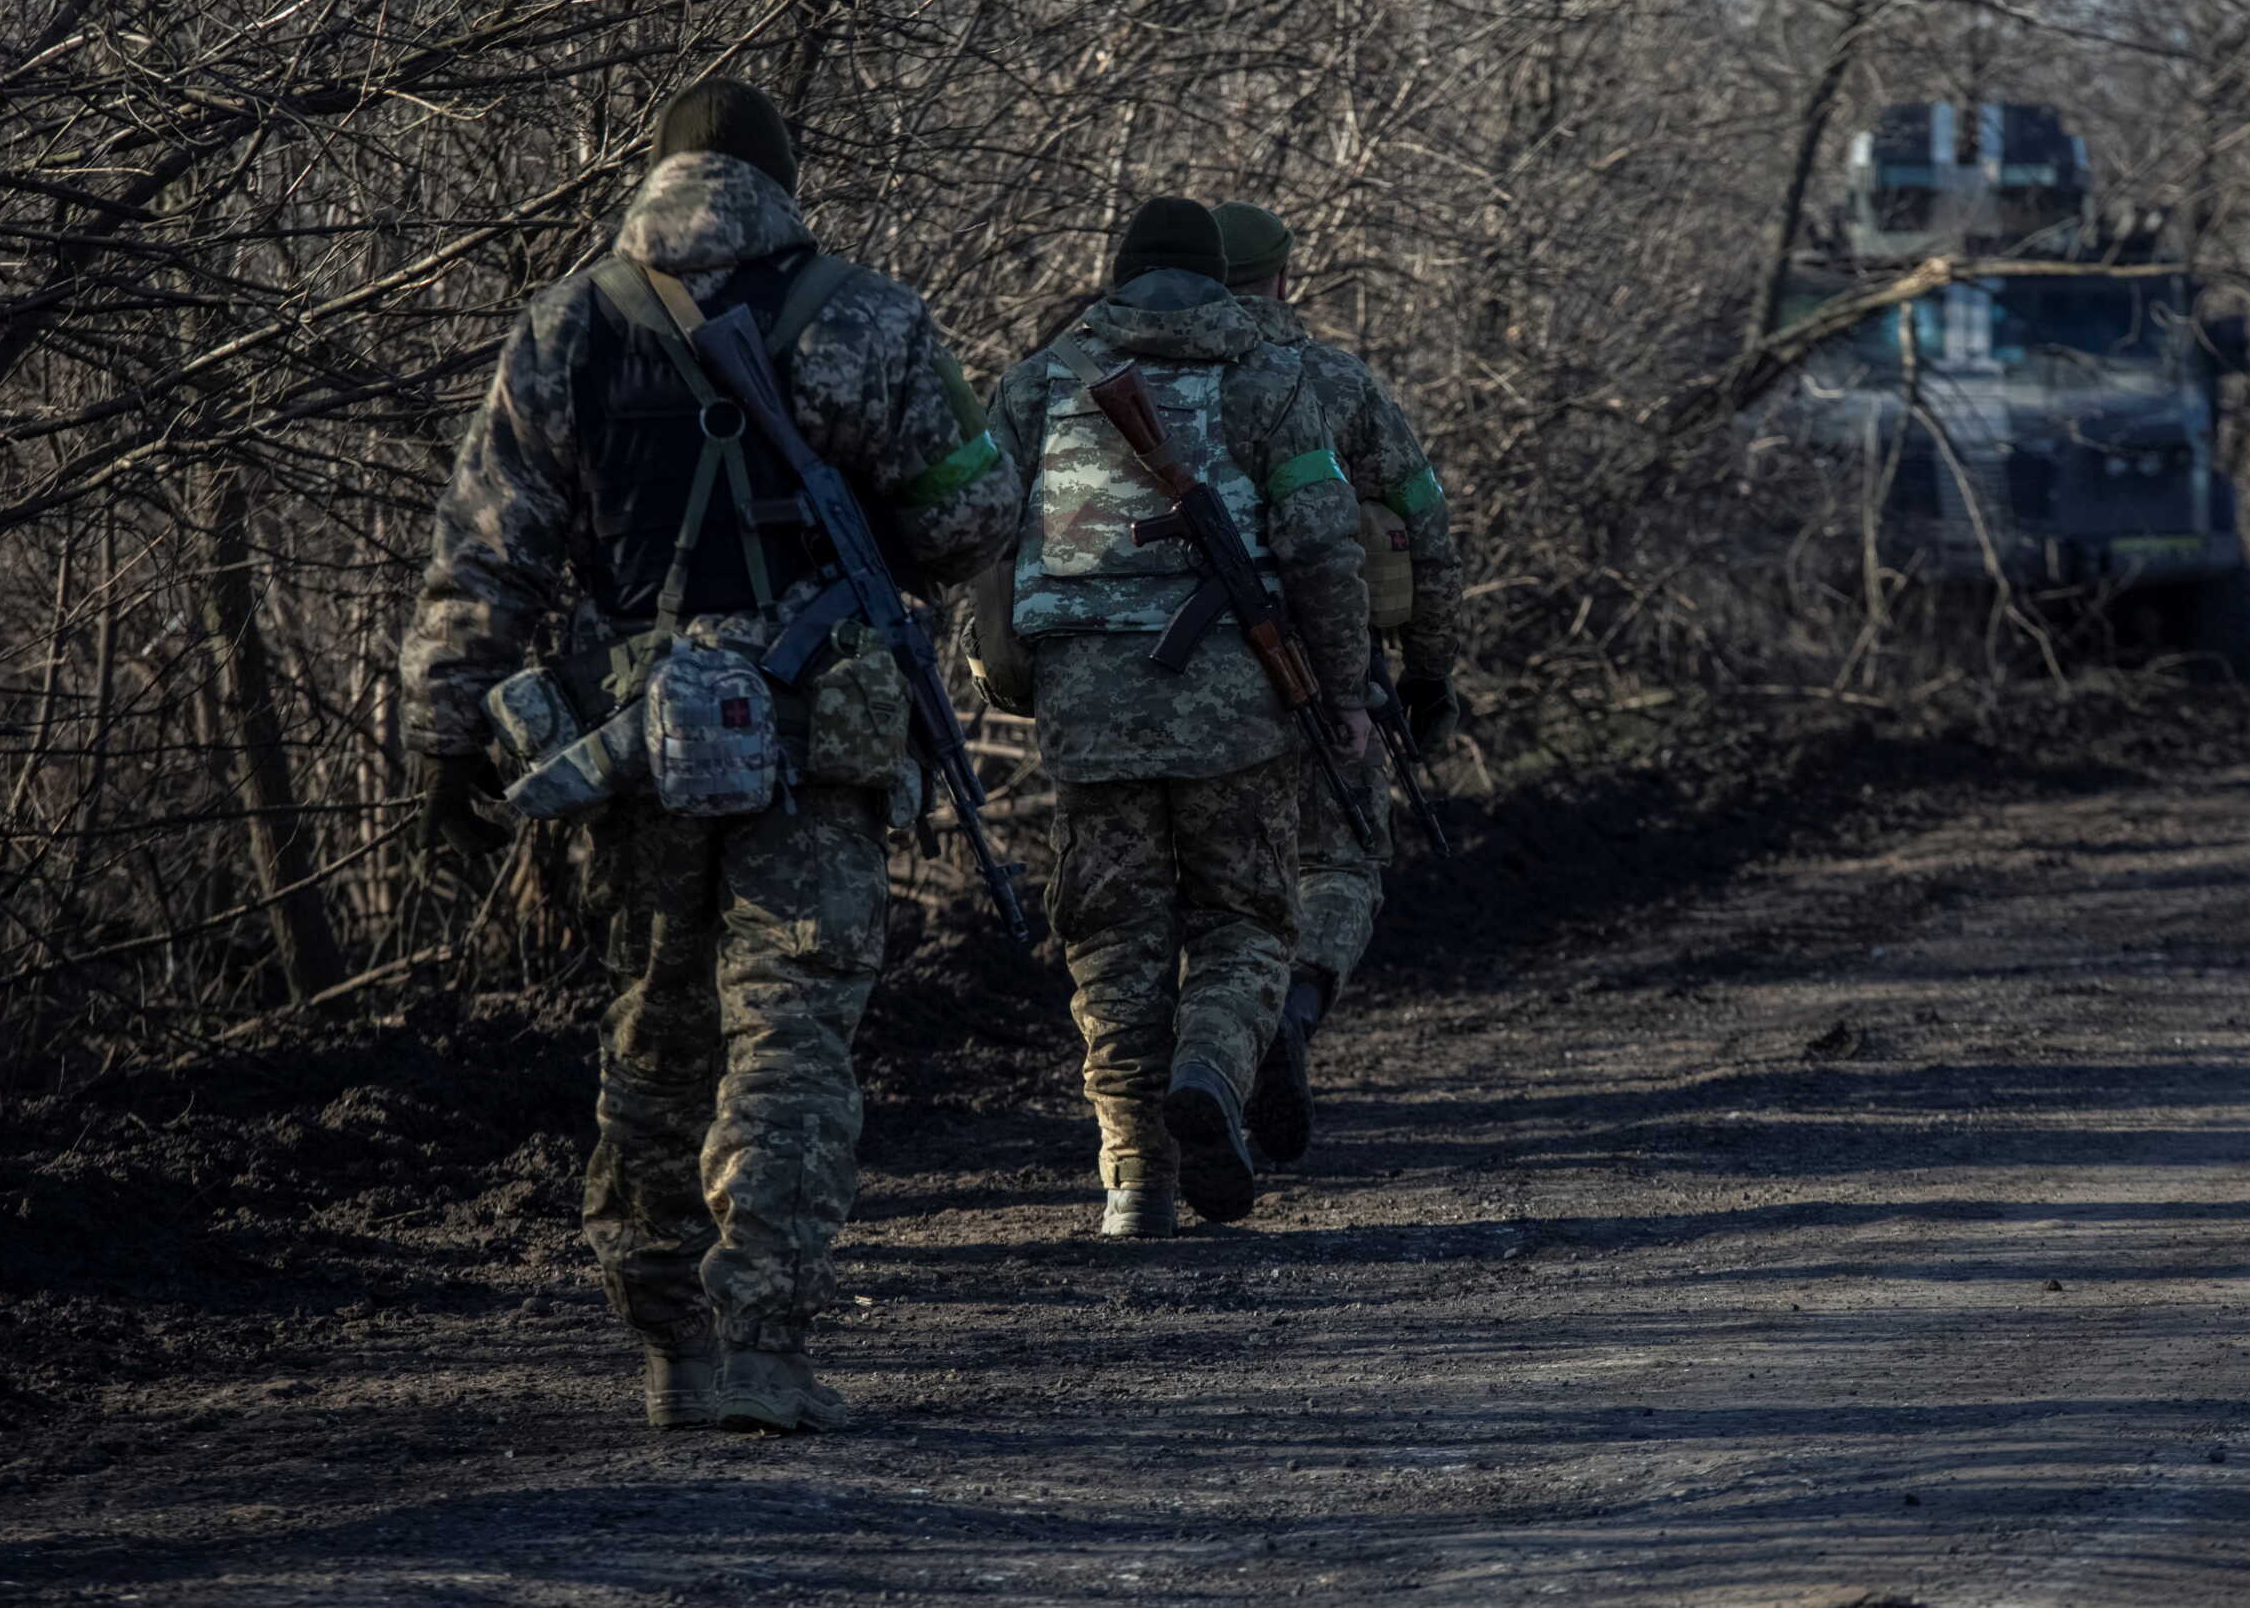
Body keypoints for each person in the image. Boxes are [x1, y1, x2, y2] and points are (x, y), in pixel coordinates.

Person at [399, 78, 1020, 1433]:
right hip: (817, 735)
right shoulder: (864, 314)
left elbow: (486, 554)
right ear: (783, 180)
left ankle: (671, 1341)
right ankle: (765, 1342)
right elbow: (970, 512)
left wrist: (449, 733)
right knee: (790, 1033)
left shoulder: (566, 322)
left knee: (655, 1022)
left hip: (637, 737)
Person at [981, 197, 1369, 1238]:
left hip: (1087, 711)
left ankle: (1134, 1179)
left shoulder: (1037, 378)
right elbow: (1328, 546)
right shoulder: (1268, 375)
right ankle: (1208, 1064)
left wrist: (1005, 671)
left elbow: (977, 532)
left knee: (1111, 938)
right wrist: (1341, 695)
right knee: (1246, 918)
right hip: (1238, 709)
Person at [1210, 201, 1464, 1166]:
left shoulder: (1135, 377)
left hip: (1165, 681)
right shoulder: (1331, 379)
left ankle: (1208, 1058)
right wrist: (1432, 673)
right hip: (1326, 678)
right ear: (1281, 279)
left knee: (1205, 886)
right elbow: (1424, 529)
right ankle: (1298, 1007)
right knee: (1342, 862)